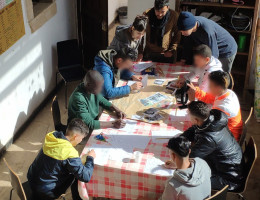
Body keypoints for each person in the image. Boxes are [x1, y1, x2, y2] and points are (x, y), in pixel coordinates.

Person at [27, 119, 96, 200]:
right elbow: (86, 176)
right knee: (76, 178)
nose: (81, 141)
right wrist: (90, 158)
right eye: (81, 138)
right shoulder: (69, 152)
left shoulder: (53, 137)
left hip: (32, 180)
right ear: (75, 136)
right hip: (46, 191)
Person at [182, 101, 244, 191]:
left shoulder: (209, 138)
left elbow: (190, 157)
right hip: (226, 166)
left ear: (196, 120)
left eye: (188, 114)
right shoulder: (212, 119)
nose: (187, 115)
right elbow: (195, 129)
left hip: (228, 179)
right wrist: (181, 139)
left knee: (187, 180)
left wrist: (178, 160)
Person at [187, 71, 243, 141]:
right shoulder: (227, 92)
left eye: (210, 86)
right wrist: (196, 91)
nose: (208, 88)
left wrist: (192, 102)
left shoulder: (222, 108)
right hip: (224, 130)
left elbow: (204, 124)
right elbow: (209, 97)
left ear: (218, 88)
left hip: (228, 138)